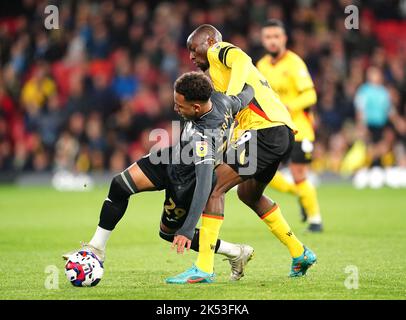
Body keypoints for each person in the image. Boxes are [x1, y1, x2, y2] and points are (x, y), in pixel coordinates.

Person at [63, 72, 256, 282]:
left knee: (169, 234)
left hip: (187, 182)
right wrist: (250, 76)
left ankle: (236, 252)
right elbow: (248, 93)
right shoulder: (223, 100)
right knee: (119, 185)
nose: (175, 109)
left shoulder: (204, 137)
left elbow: (203, 183)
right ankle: (97, 248)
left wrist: (187, 230)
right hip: (173, 157)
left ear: (196, 108)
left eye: (180, 106)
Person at [167, 24, 316, 284]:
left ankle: (204, 267)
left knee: (214, 187)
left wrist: (231, 96)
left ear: (210, 40)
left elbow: (241, 58)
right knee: (249, 194)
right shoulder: (217, 77)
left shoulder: (218, 51)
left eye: (194, 48)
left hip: (266, 130)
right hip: (278, 132)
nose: (191, 56)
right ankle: (299, 252)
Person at [257, 19, 323, 232]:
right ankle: (300, 194)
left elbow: (311, 94)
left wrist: (288, 106)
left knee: (299, 174)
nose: (272, 41)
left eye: (276, 36)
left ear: (284, 38)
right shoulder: (261, 66)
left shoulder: (295, 63)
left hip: (300, 129)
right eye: (268, 37)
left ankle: (315, 220)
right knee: (259, 173)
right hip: (274, 129)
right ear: (263, 40)